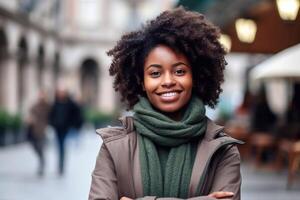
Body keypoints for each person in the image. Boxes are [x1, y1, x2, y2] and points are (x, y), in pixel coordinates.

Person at [89, 7, 243, 200]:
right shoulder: (114, 147)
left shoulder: (222, 150)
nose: (168, 81)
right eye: (155, 73)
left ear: (194, 77)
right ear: (142, 82)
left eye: (179, 71)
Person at [49, 87, 74, 175]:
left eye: (62, 92)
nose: (61, 94)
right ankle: (60, 165)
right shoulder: (55, 103)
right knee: (59, 146)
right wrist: (52, 123)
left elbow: (75, 113)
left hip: (65, 128)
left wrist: (72, 124)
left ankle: (61, 166)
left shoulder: (69, 103)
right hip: (57, 128)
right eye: (59, 92)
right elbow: (51, 115)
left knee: (62, 146)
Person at [27, 90, 50, 176]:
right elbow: (30, 112)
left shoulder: (48, 106)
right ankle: (41, 160)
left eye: (42, 95)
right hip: (34, 129)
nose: (41, 97)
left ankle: (42, 163)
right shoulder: (35, 105)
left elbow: (51, 115)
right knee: (35, 146)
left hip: (43, 130)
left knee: (40, 147)